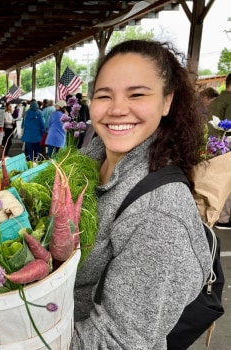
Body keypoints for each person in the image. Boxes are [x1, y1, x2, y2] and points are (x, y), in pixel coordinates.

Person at [72, 40, 212, 349]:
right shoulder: (87, 162)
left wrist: (9, 334)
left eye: (137, 94)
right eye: (104, 95)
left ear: (166, 102)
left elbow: (119, 343)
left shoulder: (159, 214)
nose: (117, 108)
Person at [209, 73, 231, 229]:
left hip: (213, 146)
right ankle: (224, 219)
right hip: (227, 147)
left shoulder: (215, 101)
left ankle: (216, 215)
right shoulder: (230, 101)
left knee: (216, 183)